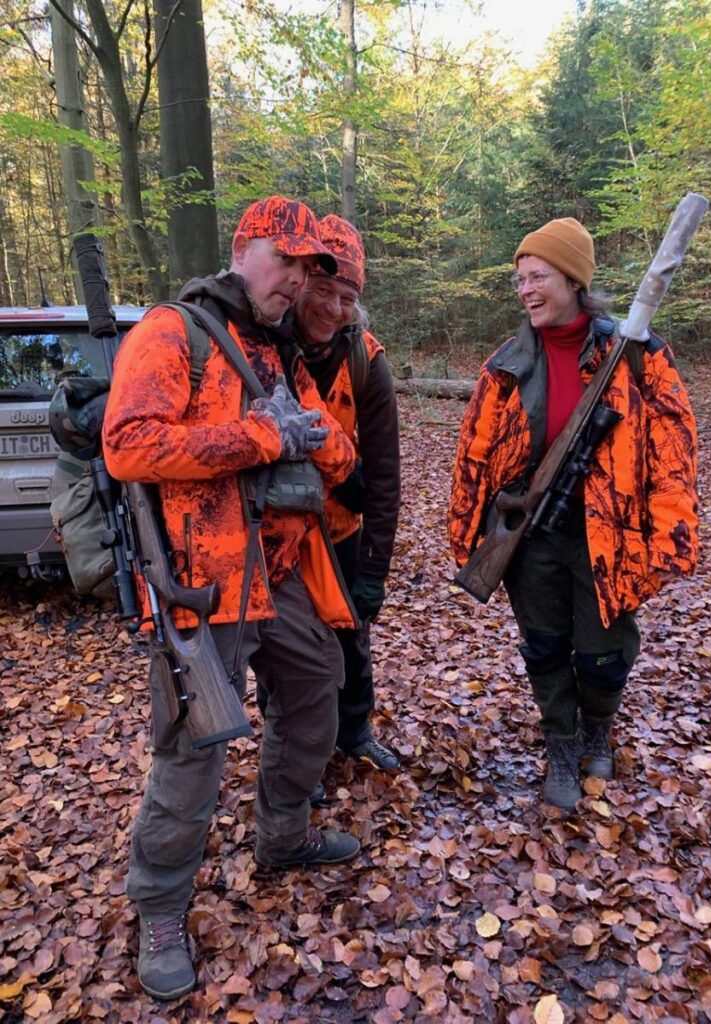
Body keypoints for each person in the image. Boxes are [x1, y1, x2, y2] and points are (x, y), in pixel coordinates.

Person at [103, 196, 362, 1001]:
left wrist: (319, 440)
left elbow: (337, 453)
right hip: (201, 585)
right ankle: (160, 907)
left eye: (309, 270)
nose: (294, 281)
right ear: (245, 249)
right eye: (284, 262)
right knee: (193, 752)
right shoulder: (170, 332)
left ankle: (283, 836)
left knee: (319, 689)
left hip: (277, 572)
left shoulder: (272, 352)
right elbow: (129, 445)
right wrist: (263, 436)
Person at [448, 216, 698, 811]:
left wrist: (671, 536)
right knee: (545, 647)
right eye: (519, 280)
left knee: (605, 653)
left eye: (538, 276)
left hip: (611, 535)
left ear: (574, 280)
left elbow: (673, 453)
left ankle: (599, 726)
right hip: (530, 536)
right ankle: (562, 741)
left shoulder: (637, 354)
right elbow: (474, 453)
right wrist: (470, 530)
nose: (526, 289)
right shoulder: (507, 362)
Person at [286, 214, 401, 776]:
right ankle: (293, 756)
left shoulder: (366, 361)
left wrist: (374, 570)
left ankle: (354, 731)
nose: (333, 308)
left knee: (351, 636)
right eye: (322, 289)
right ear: (298, 282)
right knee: (286, 649)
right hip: (275, 533)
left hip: (341, 531)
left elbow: (385, 476)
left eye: (347, 296)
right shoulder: (261, 347)